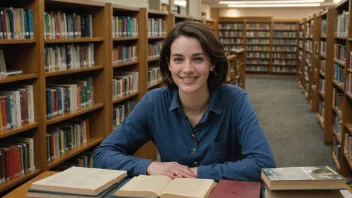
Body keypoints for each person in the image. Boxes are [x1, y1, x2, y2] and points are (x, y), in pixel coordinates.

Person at [93, 20, 276, 181]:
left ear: (212, 63)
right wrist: (151, 166)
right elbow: (103, 154)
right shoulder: (154, 103)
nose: (187, 69)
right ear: (169, 64)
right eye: (178, 59)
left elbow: (263, 163)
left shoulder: (235, 100)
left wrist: (197, 173)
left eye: (197, 59)